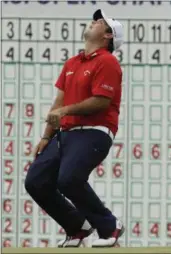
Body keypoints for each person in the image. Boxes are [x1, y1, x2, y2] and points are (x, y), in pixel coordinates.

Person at [25, 9, 124, 248]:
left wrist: (65, 112)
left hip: (95, 131)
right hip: (65, 134)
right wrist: (46, 136)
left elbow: (101, 101)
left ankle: (109, 226)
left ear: (108, 36)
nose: (94, 21)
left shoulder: (107, 61)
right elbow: (59, 103)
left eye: (100, 22)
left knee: (69, 178)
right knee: (35, 181)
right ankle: (77, 227)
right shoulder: (72, 62)